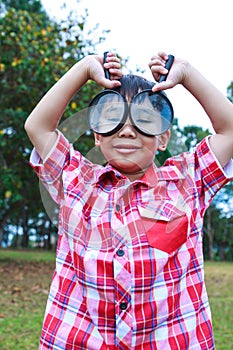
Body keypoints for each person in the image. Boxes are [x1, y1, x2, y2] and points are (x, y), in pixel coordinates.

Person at [25, 51, 233, 349]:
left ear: (163, 138)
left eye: (144, 120)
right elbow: (38, 127)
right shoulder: (75, 181)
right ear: (97, 135)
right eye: (112, 119)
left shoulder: (188, 180)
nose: (126, 129)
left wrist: (185, 73)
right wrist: (84, 68)